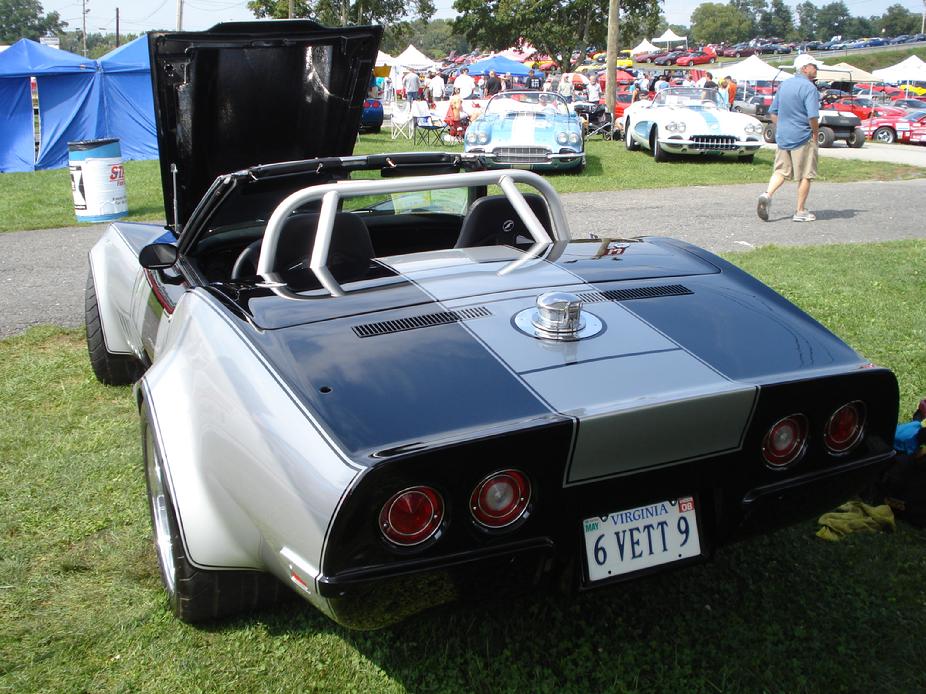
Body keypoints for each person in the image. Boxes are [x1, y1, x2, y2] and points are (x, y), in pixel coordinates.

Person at [757, 54, 822, 223]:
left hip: (784, 136)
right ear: (804, 68)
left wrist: (782, 127)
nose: (816, 69)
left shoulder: (784, 85)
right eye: (813, 66)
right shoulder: (809, 88)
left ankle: (767, 194)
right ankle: (800, 211)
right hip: (802, 135)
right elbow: (813, 116)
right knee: (806, 175)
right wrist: (815, 133)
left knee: (780, 171)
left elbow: (773, 112)